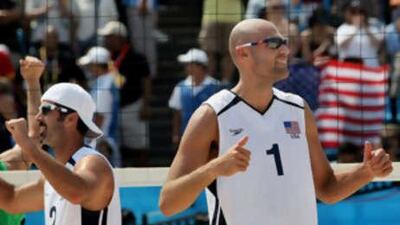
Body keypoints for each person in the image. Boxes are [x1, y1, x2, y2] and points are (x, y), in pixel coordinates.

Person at [159, 19, 393, 225]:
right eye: (274, 43)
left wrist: (366, 172)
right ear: (243, 54)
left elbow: (327, 189)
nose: (285, 50)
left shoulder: (298, 109)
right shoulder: (211, 115)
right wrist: (214, 168)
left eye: (285, 43)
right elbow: (168, 203)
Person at [0, 81, 121, 224]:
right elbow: (11, 201)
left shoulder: (93, 162)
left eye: (45, 110)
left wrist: (30, 148)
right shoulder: (53, 176)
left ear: (70, 119)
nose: (38, 117)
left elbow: (76, 192)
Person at [98, 21, 152, 166]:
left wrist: (146, 104)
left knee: (139, 146)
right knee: (115, 146)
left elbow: (146, 81)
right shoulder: (106, 59)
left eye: (109, 37)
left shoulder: (137, 57)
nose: (105, 40)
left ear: (120, 37)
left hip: (133, 106)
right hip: (112, 110)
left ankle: (144, 176)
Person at [78, 46, 121, 167]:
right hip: (104, 140)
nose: (88, 68)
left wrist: (88, 140)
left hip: (102, 143)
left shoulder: (104, 85)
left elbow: (99, 118)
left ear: (96, 65)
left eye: (90, 65)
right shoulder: (105, 81)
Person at [169, 48, 220, 146]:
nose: (187, 67)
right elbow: (177, 113)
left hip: (211, 138)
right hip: (186, 136)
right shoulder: (180, 86)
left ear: (202, 67)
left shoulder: (216, 86)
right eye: (187, 65)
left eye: (191, 64)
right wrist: (175, 133)